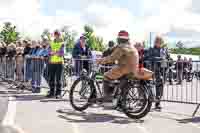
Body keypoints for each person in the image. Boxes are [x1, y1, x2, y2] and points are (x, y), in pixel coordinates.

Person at [97, 30, 139, 102]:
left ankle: (107, 96)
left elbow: (112, 58)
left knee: (106, 76)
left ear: (120, 39)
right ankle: (119, 100)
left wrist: (100, 61)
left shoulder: (122, 47)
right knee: (117, 81)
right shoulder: (132, 46)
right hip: (133, 70)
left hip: (124, 68)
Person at [146, 36, 166, 109]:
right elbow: (149, 57)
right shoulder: (151, 49)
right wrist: (160, 59)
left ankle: (158, 102)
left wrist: (168, 59)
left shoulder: (163, 50)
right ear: (155, 42)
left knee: (160, 86)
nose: (160, 43)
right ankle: (149, 100)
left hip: (162, 70)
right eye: (158, 42)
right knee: (150, 85)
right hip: (153, 69)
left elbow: (166, 58)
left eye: (161, 42)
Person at [47, 30, 64, 98]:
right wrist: (55, 52)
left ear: (60, 35)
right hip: (52, 62)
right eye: (55, 34)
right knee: (51, 78)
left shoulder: (62, 43)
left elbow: (61, 53)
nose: (57, 36)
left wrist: (53, 52)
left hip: (59, 63)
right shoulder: (51, 43)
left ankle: (58, 93)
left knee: (58, 79)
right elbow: (49, 52)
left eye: (58, 34)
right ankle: (51, 92)